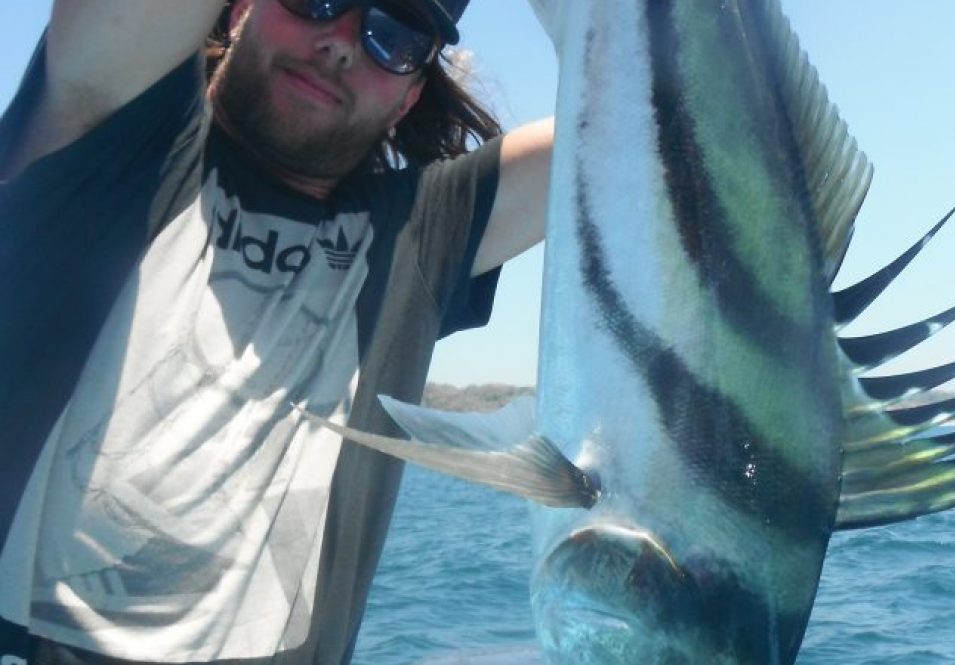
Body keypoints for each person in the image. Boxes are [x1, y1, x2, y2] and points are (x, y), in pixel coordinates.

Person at [0, 0, 552, 662]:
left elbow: (638, 119)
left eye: (394, 37)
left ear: (408, 99)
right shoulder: (109, 129)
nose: (344, 42)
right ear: (238, 12)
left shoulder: (421, 235)